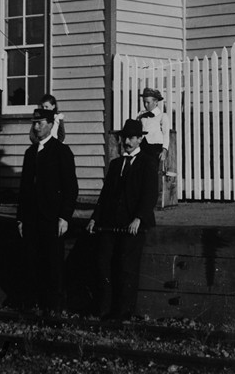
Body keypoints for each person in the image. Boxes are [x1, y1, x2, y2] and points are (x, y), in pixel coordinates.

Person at [87, 118, 158, 320]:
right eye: (125, 137)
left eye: (132, 138)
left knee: (127, 269)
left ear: (139, 140)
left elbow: (150, 195)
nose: (127, 142)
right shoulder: (116, 164)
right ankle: (105, 310)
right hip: (110, 225)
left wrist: (138, 218)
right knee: (104, 266)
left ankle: (124, 313)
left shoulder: (147, 163)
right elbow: (105, 195)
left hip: (132, 225)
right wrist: (94, 218)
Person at [17, 108, 78, 312]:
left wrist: (64, 216)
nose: (36, 127)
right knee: (31, 262)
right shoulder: (30, 153)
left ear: (51, 124)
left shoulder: (61, 152)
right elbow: (24, 189)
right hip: (32, 219)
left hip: (52, 219)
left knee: (53, 265)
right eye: (34, 123)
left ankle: (55, 307)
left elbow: (71, 187)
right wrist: (21, 218)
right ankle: (32, 304)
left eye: (40, 123)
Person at [136, 88, 171, 170]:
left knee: (152, 170)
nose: (145, 104)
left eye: (148, 102)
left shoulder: (163, 116)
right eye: (144, 102)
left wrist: (164, 150)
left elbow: (166, 134)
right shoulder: (141, 115)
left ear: (156, 102)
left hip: (155, 148)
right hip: (142, 145)